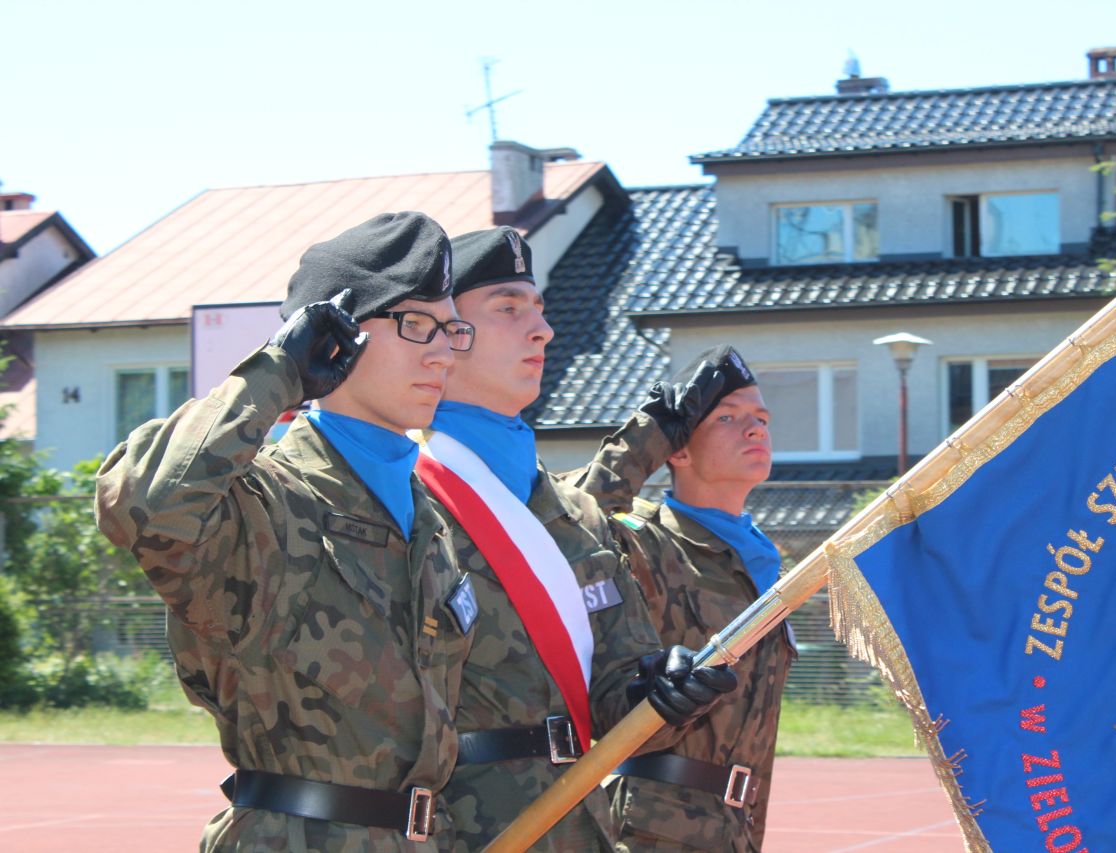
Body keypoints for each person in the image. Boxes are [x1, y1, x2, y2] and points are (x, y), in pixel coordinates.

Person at [95, 212, 476, 851]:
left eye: (452, 329)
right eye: (415, 324)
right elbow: (145, 507)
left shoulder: (429, 523)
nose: (442, 352)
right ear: (339, 334)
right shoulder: (265, 500)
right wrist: (276, 374)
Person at [413, 226, 737, 852]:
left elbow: (615, 691)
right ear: (446, 333)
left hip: (579, 826)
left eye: (539, 310)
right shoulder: (397, 496)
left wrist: (657, 694)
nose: (543, 330)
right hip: (453, 832)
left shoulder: (577, 513)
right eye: (509, 308)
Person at [569, 345, 796, 853]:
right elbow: (573, 519)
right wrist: (651, 431)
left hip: (736, 828)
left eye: (761, 418)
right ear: (678, 449)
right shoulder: (645, 539)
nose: (755, 430)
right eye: (727, 417)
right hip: (652, 828)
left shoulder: (762, 560)